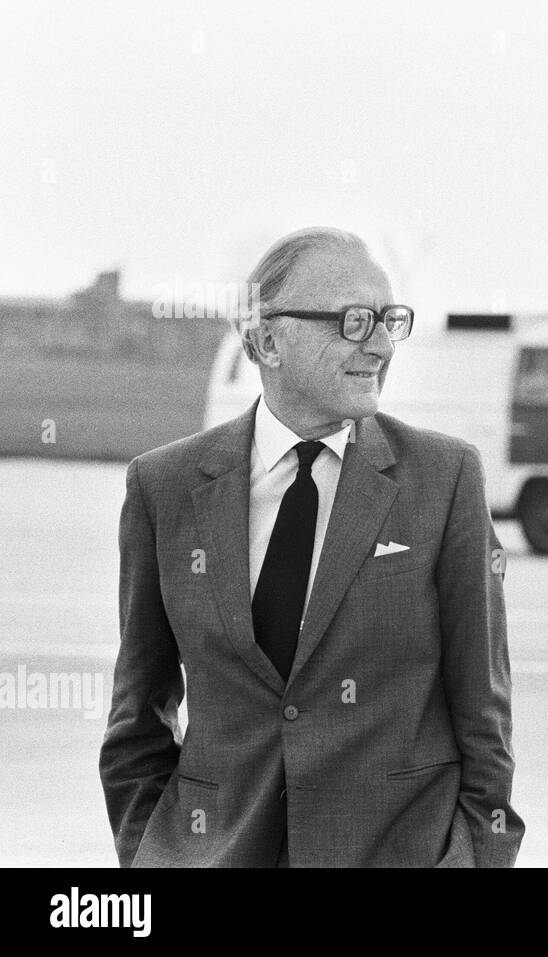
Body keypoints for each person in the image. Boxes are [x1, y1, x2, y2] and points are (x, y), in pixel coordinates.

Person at [100, 227, 523, 866]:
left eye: (389, 320)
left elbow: (485, 720)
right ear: (267, 339)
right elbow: (138, 720)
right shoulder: (165, 488)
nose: (380, 345)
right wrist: (148, 857)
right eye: (354, 322)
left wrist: (477, 859)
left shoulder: (444, 479)